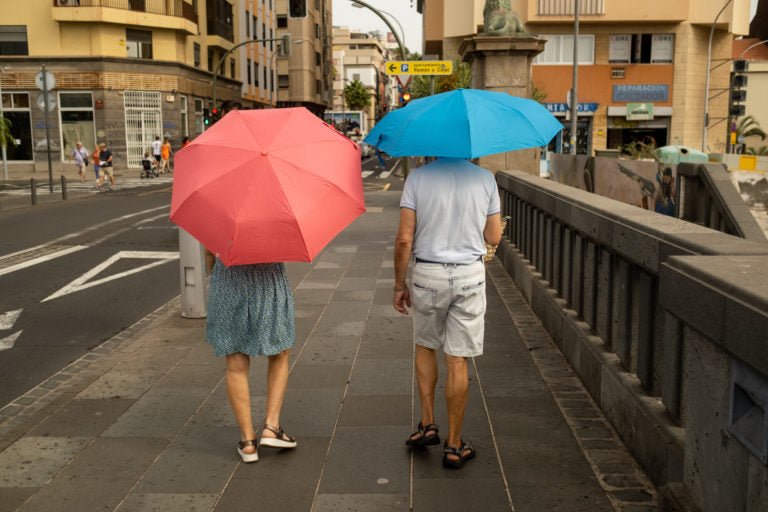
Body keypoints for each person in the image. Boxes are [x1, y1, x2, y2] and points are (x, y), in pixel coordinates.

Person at [393, 157, 501, 469]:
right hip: (469, 275)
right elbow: (493, 238)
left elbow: (404, 240)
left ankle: (428, 424)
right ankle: (454, 444)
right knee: (457, 359)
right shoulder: (485, 179)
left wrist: (400, 283)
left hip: (428, 275)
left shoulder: (417, 178)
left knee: (426, 346)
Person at [203, 99, 295, 464]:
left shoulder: (213, 179)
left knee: (236, 363)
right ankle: (272, 426)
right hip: (269, 276)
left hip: (229, 279)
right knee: (280, 350)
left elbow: (209, 250)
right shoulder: (275, 171)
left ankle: (247, 442)